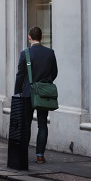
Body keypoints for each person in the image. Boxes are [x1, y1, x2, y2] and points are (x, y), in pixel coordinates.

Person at [15, 26, 58, 164]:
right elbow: (55, 72)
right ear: (41, 37)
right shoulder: (50, 53)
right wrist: (45, 83)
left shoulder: (25, 53)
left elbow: (20, 75)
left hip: (28, 93)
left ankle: (23, 155)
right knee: (43, 124)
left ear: (29, 37)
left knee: (26, 125)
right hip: (43, 93)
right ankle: (40, 155)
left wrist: (17, 92)